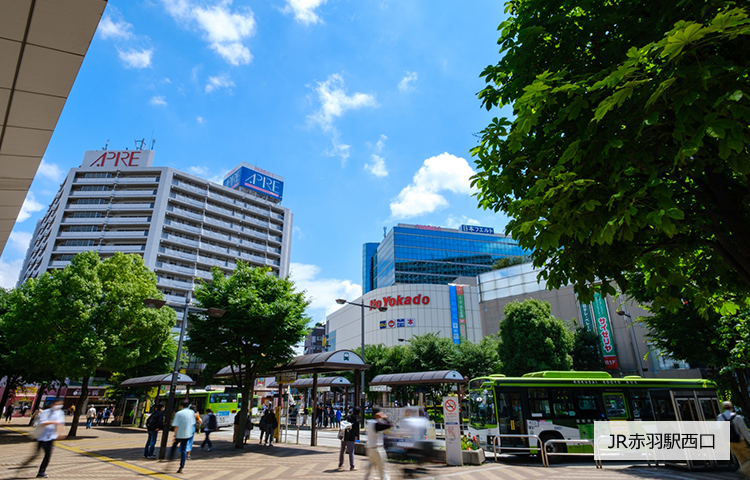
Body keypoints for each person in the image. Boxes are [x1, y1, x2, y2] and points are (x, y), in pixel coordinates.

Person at [22, 398, 65, 478]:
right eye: (58, 404)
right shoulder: (46, 412)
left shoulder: (60, 413)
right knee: (36, 454)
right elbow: (42, 422)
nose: (59, 405)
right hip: (42, 437)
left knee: (47, 455)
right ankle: (26, 463)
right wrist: (53, 422)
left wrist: (61, 432)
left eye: (60, 404)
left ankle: (41, 472)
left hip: (51, 437)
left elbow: (61, 423)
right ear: (52, 404)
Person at [718, 401, 750, 479]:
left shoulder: (720, 417)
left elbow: (719, 430)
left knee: (741, 459)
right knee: (748, 458)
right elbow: (744, 431)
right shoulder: (737, 417)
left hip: (730, 442)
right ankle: (742, 471)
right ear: (731, 407)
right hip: (740, 441)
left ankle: (747, 477)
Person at [364, 406, 392, 480]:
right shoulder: (376, 424)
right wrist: (385, 417)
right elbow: (389, 425)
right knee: (383, 470)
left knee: (369, 470)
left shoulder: (369, 422)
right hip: (377, 449)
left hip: (370, 449)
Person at [169, 400, 195, 474]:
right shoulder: (191, 413)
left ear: (181, 406)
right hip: (187, 434)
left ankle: (170, 459)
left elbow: (176, 426)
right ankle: (182, 466)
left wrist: (174, 435)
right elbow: (192, 423)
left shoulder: (178, 413)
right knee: (184, 450)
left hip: (179, 434)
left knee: (174, 447)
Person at [338, 406, 360, 471]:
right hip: (351, 438)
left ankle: (340, 463)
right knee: (351, 452)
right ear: (358, 413)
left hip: (344, 436)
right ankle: (352, 466)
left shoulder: (347, 417)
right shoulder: (356, 420)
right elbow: (357, 432)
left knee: (342, 450)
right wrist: (355, 438)